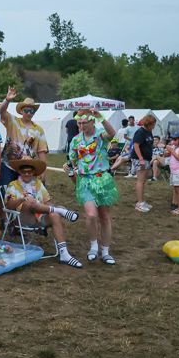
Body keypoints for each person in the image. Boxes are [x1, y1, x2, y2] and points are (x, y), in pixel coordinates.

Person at [5, 158, 83, 268]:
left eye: (29, 171)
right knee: (29, 202)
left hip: (39, 217)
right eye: (24, 171)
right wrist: (22, 199)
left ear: (33, 172)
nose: (27, 173)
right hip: (22, 219)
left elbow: (47, 202)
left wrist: (50, 208)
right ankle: (60, 211)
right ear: (19, 172)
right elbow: (9, 205)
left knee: (54, 216)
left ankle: (64, 254)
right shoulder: (13, 185)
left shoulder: (38, 184)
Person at [65, 111, 120, 262]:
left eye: (85, 123)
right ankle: (94, 247)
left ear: (92, 122)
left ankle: (106, 251)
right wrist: (69, 169)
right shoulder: (76, 140)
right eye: (79, 123)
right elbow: (73, 161)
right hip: (85, 181)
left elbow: (112, 133)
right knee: (91, 215)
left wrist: (101, 118)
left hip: (102, 180)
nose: (82, 126)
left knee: (104, 217)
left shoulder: (100, 135)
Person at [0, 87, 48, 187]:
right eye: (26, 110)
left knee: (25, 196)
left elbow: (41, 152)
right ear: (21, 111)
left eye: (31, 111)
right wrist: (7, 100)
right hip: (9, 165)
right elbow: (2, 111)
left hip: (27, 169)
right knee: (3, 193)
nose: (29, 113)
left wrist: (43, 173)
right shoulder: (13, 121)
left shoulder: (39, 130)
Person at [132, 114, 156, 213]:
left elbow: (150, 144)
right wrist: (141, 158)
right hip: (139, 159)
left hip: (146, 158)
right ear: (148, 123)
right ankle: (139, 203)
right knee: (140, 181)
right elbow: (136, 146)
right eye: (153, 124)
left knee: (143, 181)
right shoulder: (140, 132)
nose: (154, 126)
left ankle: (142, 201)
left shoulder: (149, 132)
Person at [165, 136, 179, 215]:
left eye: (175, 139)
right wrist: (168, 151)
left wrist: (172, 150)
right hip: (174, 171)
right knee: (176, 189)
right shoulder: (175, 147)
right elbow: (167, 155)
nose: (173, 141)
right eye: (172, 140)